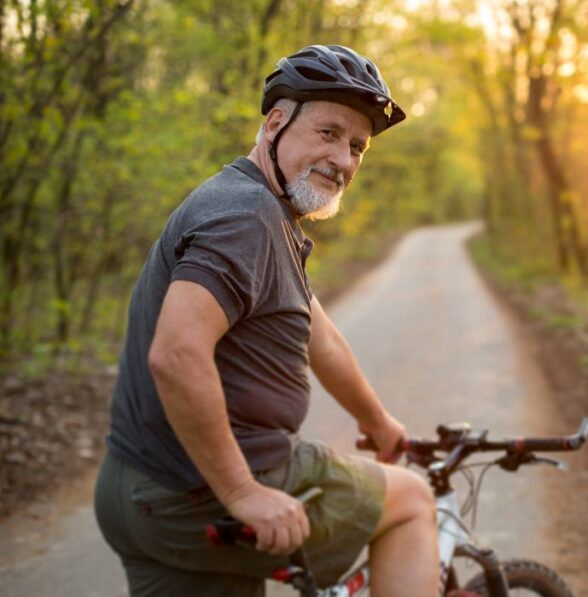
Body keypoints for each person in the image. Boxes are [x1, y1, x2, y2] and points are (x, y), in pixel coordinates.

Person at [94, 45, 439, 596]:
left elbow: (318, 335)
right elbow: (176, 355)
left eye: (357, 146)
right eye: (328, 133)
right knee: (412, 502)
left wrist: (378, 422)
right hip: (201, 495)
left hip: (136, 491)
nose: (345, 160)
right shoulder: (246, 217)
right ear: (276, 123)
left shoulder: (258, 210)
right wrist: (242, 493)